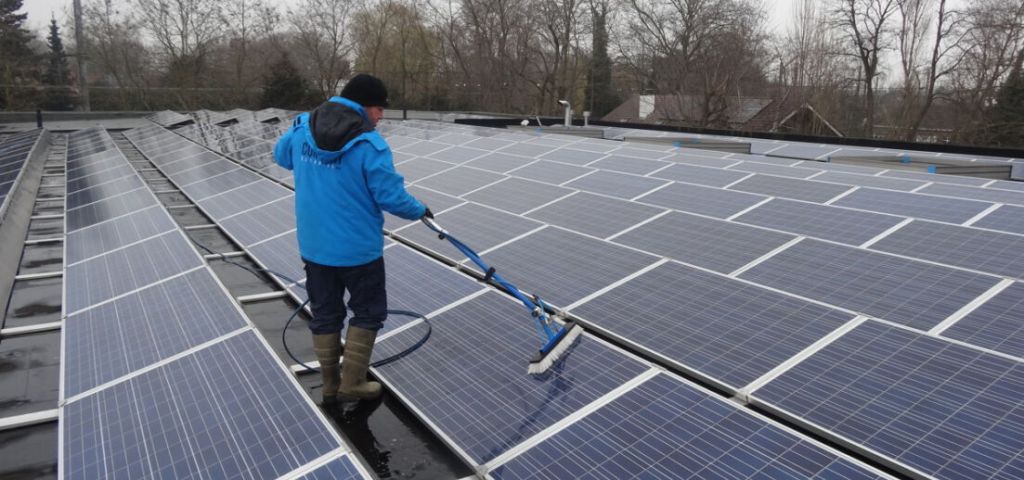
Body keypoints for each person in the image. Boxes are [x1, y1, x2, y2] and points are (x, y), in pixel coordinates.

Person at [273, 73, 431, 405]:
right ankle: (352, 382)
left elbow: (281, 157)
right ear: (363, 105)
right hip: (358, 251)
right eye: (378, 108)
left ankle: (330, 384)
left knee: (325, 313)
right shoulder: (368, 144)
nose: (381, 115)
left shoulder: (304, 127)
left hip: (315, 248)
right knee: (369, 312)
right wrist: (421, 210)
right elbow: (390, 196)